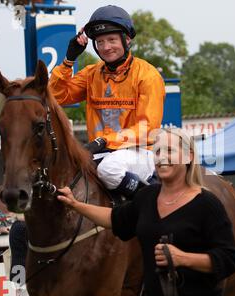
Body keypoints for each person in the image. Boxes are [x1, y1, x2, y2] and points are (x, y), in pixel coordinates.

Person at [57, 128, 235, 296]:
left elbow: (229, 259)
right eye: (157, 152)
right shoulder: (147, 197)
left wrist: (183, 258)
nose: (161, 157)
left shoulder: (207, 204)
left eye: (169, 150)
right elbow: (114, 219)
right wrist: (75, 204)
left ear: (188, 156)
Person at [49, 5, 166, 198]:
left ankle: (150, 202)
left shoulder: (148, 75)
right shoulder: (91, 74)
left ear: (127, 39)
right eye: (100, 42)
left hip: (138, 152)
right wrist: (69, 60)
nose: (105, 47)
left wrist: (105, 140)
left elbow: (147, 128)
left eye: (112, 40)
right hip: (98, 153)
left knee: (109, 169)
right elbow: (56, 96)